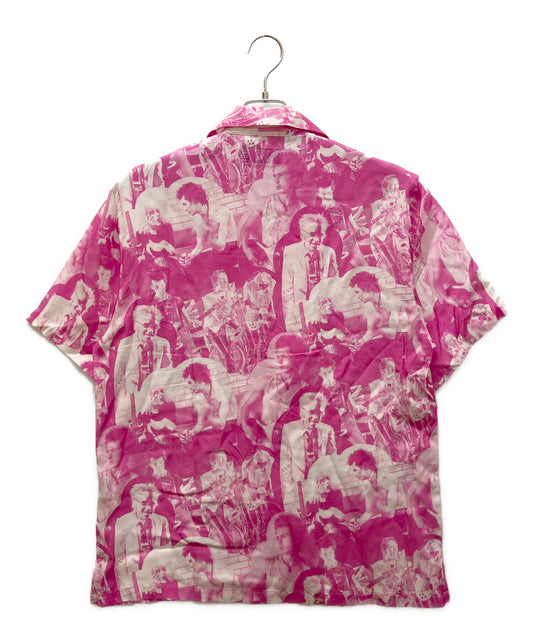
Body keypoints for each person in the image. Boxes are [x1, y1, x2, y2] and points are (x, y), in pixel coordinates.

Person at [241, 149, 306, 270]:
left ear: (295, 176)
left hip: (296, 267)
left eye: (281, 175)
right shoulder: (264, 202)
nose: (276, 180)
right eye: (275, 175)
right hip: (269, 266)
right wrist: (246, 249)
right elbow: (246, 227)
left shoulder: (304, 207)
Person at [280, 392, 336, 512]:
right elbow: (285, 466)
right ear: (302, 412)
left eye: (318, 412)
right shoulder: (289, 430)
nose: (315, 417)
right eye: (311, 412)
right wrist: (289, 497)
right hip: (299, 489)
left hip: (321, 490)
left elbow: (333, 463)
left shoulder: (327, 431)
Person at [281, 212, 338, 330]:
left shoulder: (329, 253)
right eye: (312, 234)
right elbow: (287, 290)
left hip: (323, 312)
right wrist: (292, 320)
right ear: (303, 233)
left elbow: (335, 285)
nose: (317, 239)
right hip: (301, 311)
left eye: (320, 235)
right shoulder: (290, 252)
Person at [114, 483, 171, 601]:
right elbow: (119, 560)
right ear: (134, 504)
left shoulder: (162, 521)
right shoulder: (122, 523)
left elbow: (168, 553)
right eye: (144, 503)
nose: (149, 508)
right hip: (133, 579)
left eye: (151, 503)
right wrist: (127, 592)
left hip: (157, 579)